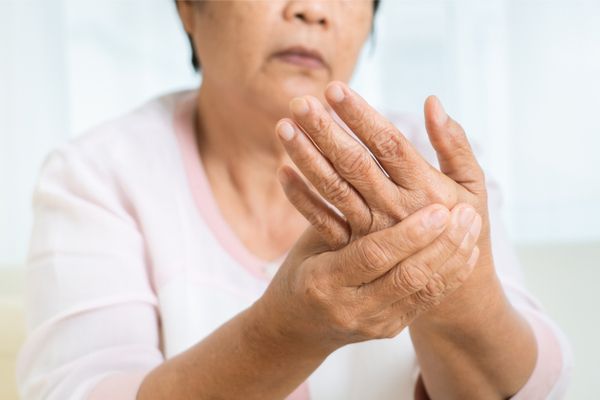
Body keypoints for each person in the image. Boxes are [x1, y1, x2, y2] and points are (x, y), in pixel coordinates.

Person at [16, 1, 571, 399]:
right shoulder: (97, 175)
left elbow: (530, 388)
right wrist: (284, 334)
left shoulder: (434, 167)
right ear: (188, 9)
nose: (313, 10)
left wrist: (455, 286)